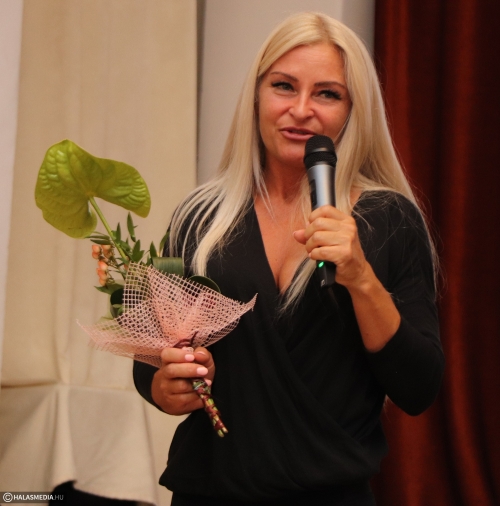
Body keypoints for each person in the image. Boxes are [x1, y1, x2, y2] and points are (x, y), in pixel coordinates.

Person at [132, 12, 445, 506]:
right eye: (283, 86)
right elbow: (151, 359)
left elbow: (418, 387)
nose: (301, 110)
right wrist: (164, 386)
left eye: (327, 93)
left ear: (353, 110)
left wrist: (360, 277)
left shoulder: (389, 219)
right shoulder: (200, 217)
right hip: (208, 492)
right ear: (257, 96)